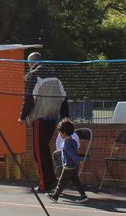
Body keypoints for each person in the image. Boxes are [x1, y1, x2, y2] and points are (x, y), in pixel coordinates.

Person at [19, 52, 68, 192]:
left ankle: (45, 183)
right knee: (44, 149)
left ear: (30, 63)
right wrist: (65, 117)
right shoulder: (54, 75)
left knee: (39, 152)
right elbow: (64, 96)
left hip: (40, 117)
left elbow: (29, 98)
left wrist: (22, 117)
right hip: (53, 118)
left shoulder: (34, 75)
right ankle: (51, 179)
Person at [47, 119, 88, 203]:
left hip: (68, 165)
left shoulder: (66, 143)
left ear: (64, 132)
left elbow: (71, 154)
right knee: (75, 180)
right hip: (73, 165)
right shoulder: (73, 141)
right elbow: (75, 151)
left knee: (62, 181)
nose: (59, 134)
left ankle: (55, 195)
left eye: (60, 132)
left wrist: (78, 161)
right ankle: (83, 195)